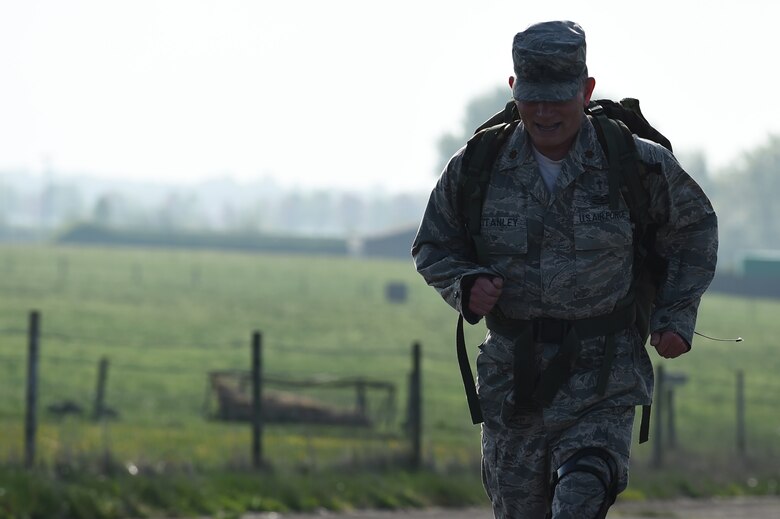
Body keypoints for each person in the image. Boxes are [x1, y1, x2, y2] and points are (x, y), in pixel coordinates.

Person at [411, 20, 718, 519]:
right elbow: (433, 244)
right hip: (515, 386)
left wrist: (676, 315)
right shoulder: (478, 165)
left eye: (558, 97)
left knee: (580, 495)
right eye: (533, 98)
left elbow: (695, 230)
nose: (544, 111)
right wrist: (464, 285)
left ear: (587, 90)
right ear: (514, 90)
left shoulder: (637, 165)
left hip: (604, 378)